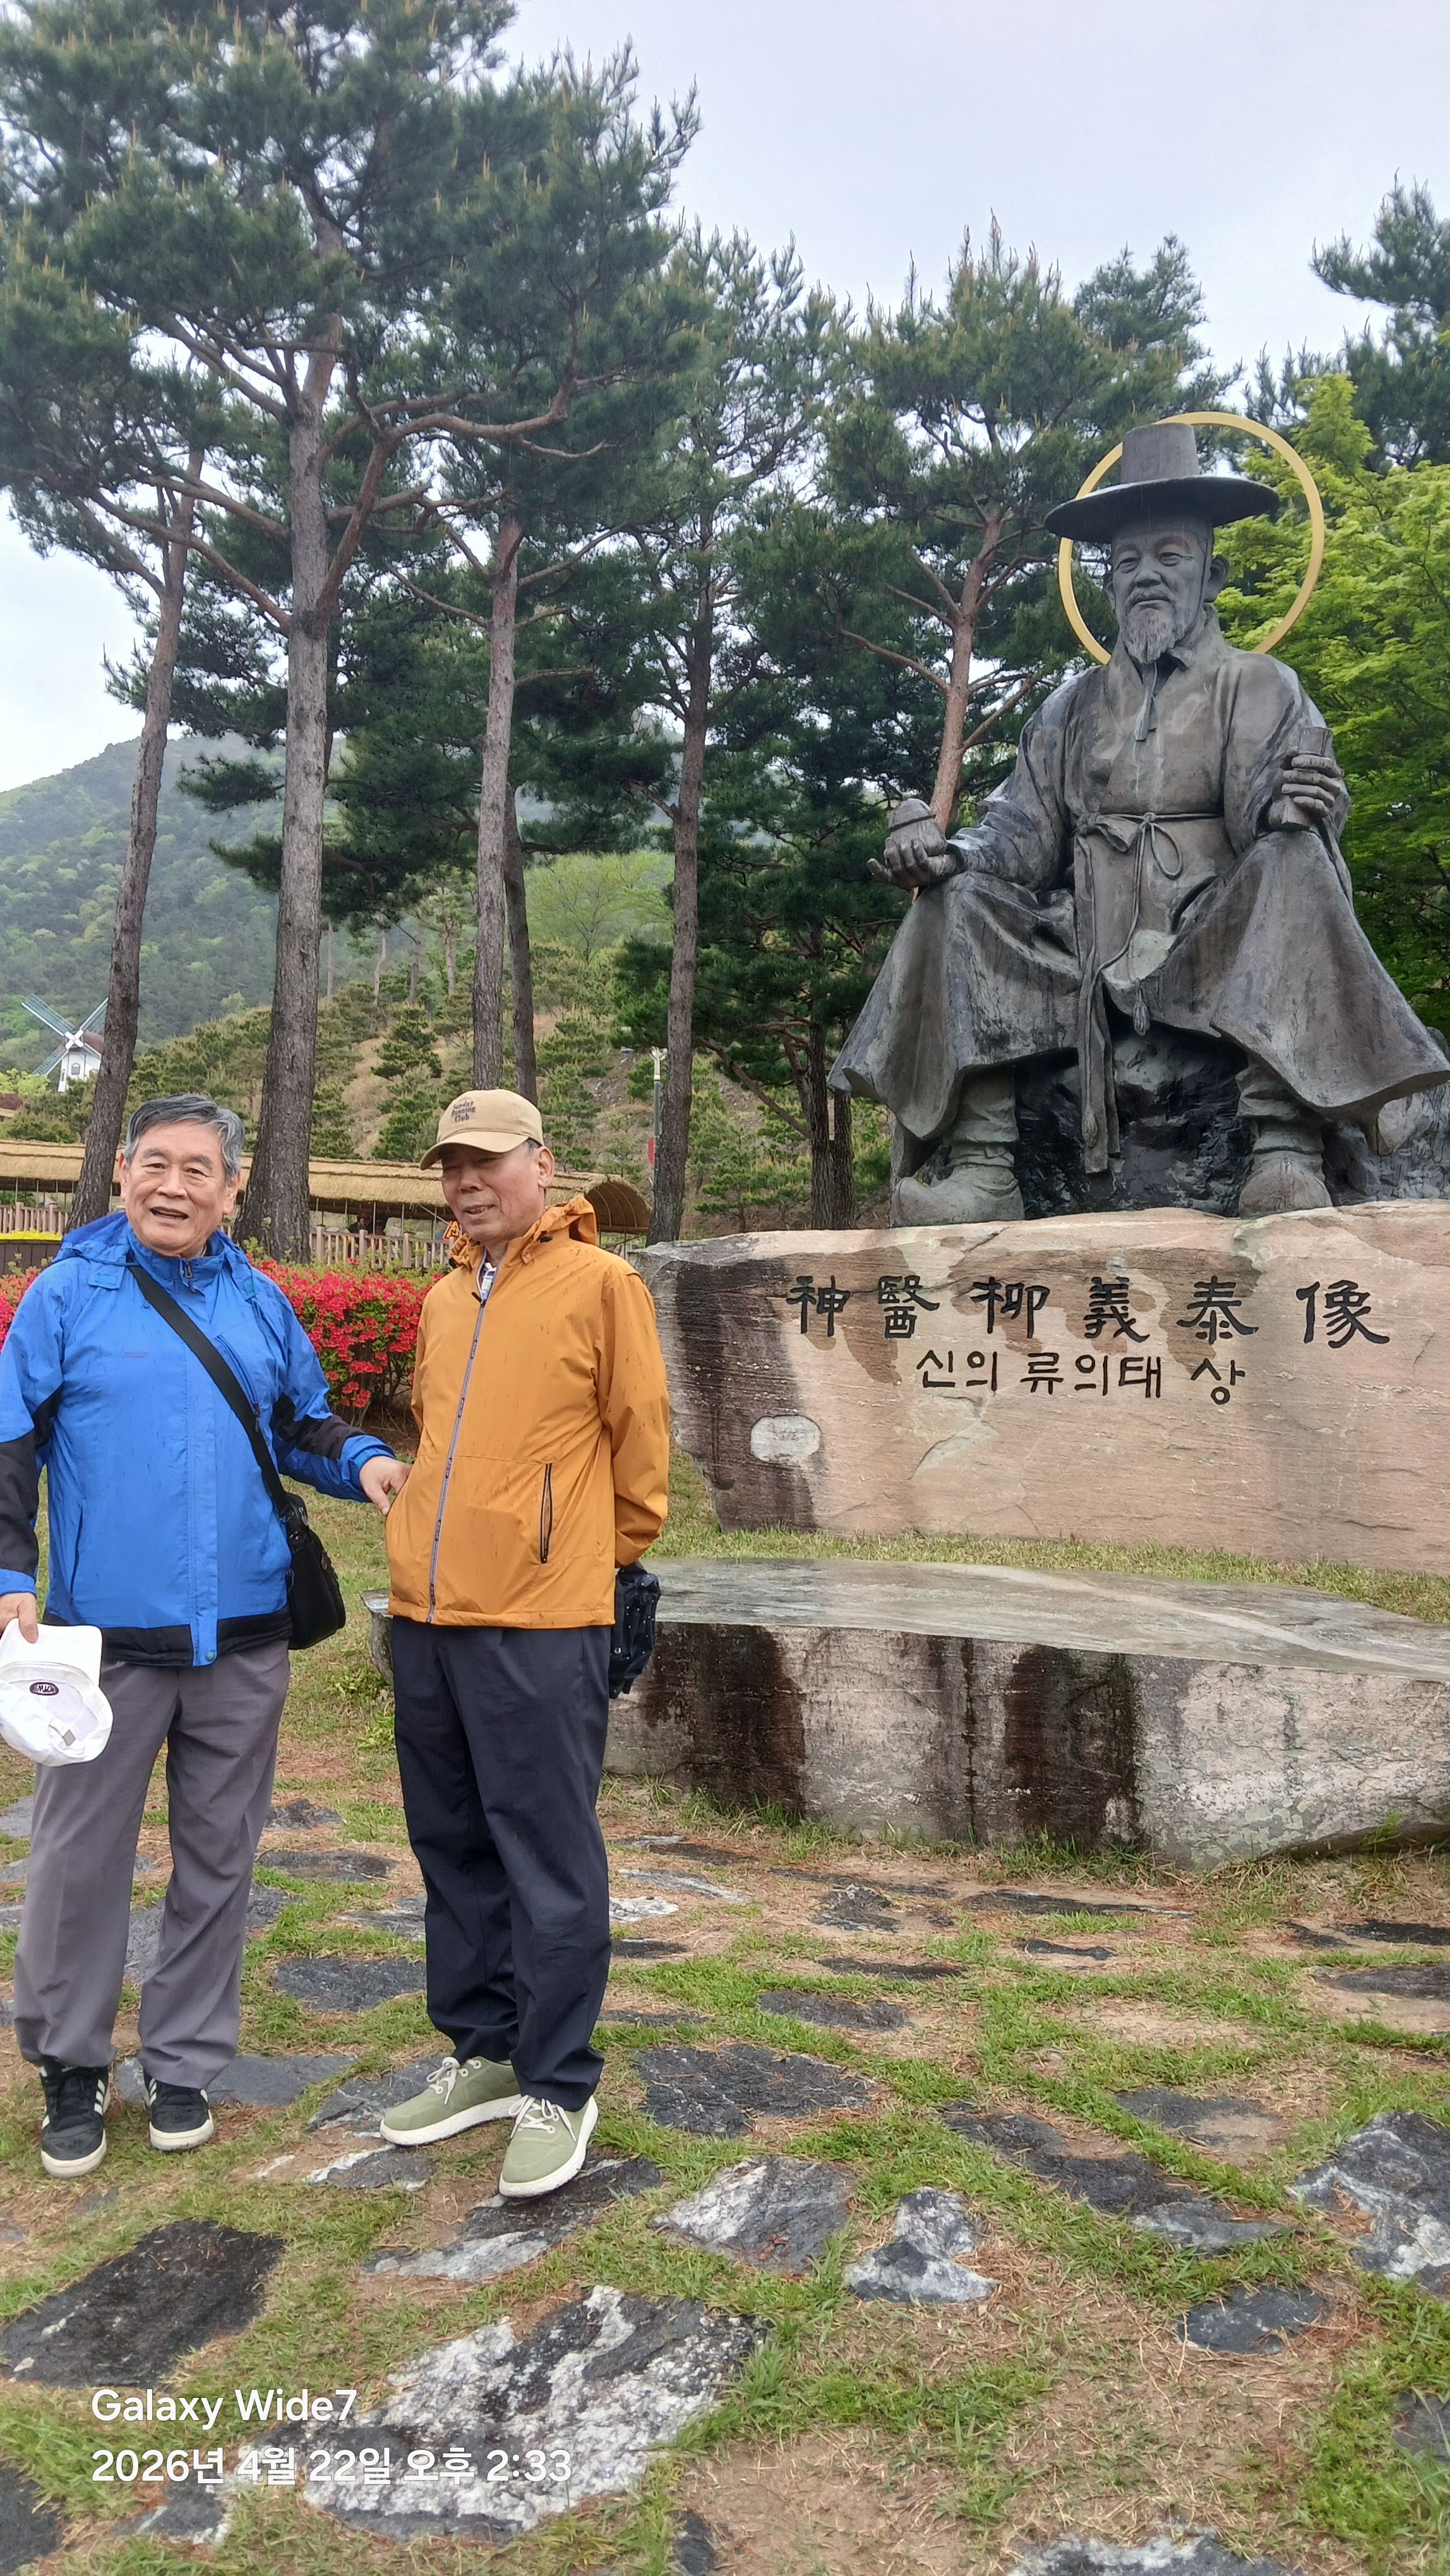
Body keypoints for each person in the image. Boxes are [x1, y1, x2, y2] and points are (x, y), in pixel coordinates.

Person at [831, 417, 1449, 1221]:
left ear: (1212, 573)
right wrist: (947, 855)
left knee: (1292, 859)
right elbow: (1019, 834)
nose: (1147, 576)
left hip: (1209, 938)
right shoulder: (1070, 706)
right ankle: (985, 1167)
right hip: (1080, 944)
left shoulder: (1260, 685)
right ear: (1108, 584)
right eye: (1127, 562)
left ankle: (1283, 1148)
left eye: (1170, 556)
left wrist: (1297, 806)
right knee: (955, 899)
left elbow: (1265, 818)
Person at [0, 1095, 407, 2178]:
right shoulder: (66, 1295)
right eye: (155, 1163)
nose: (171, 1186)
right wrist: (9, 1575)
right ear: (122, 1172)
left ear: (233, 1190)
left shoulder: (259, 1300)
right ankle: (71, 2064)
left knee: (220, 1855)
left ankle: (182, 2062)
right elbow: (8, 1440)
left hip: (245, 1637)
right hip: (105, 1643)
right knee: (77, 1860)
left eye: (197, 1170)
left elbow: (299, 1423)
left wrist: (364, 1459)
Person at [378, 1089, 670, 2199]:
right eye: (452, 1165)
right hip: (429, 1613)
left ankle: (558, 2082)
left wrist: (589, 1558)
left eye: (489, 1160)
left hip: (544, 1617)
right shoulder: (444, 1296)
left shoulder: (602, 1284)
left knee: (547, 1855)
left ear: (542, 1166)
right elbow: (435, 1438)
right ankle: (487, 2050)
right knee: (451, 1843)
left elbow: (640, 1446)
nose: (468, 1182)